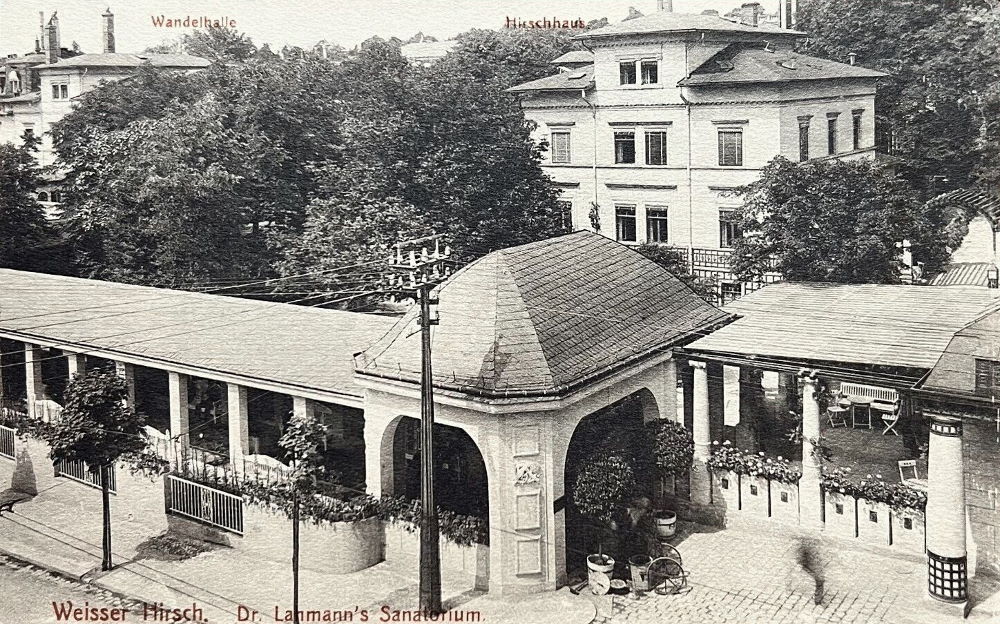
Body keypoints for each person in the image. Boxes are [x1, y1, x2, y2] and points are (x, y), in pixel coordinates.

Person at [797, 537, 825, 604]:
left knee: (820, 582)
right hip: (813, 570)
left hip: (814, 569)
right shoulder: (806, 553)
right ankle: (817, 600)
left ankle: (818, 599)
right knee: (820, 582)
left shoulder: (806, 552)